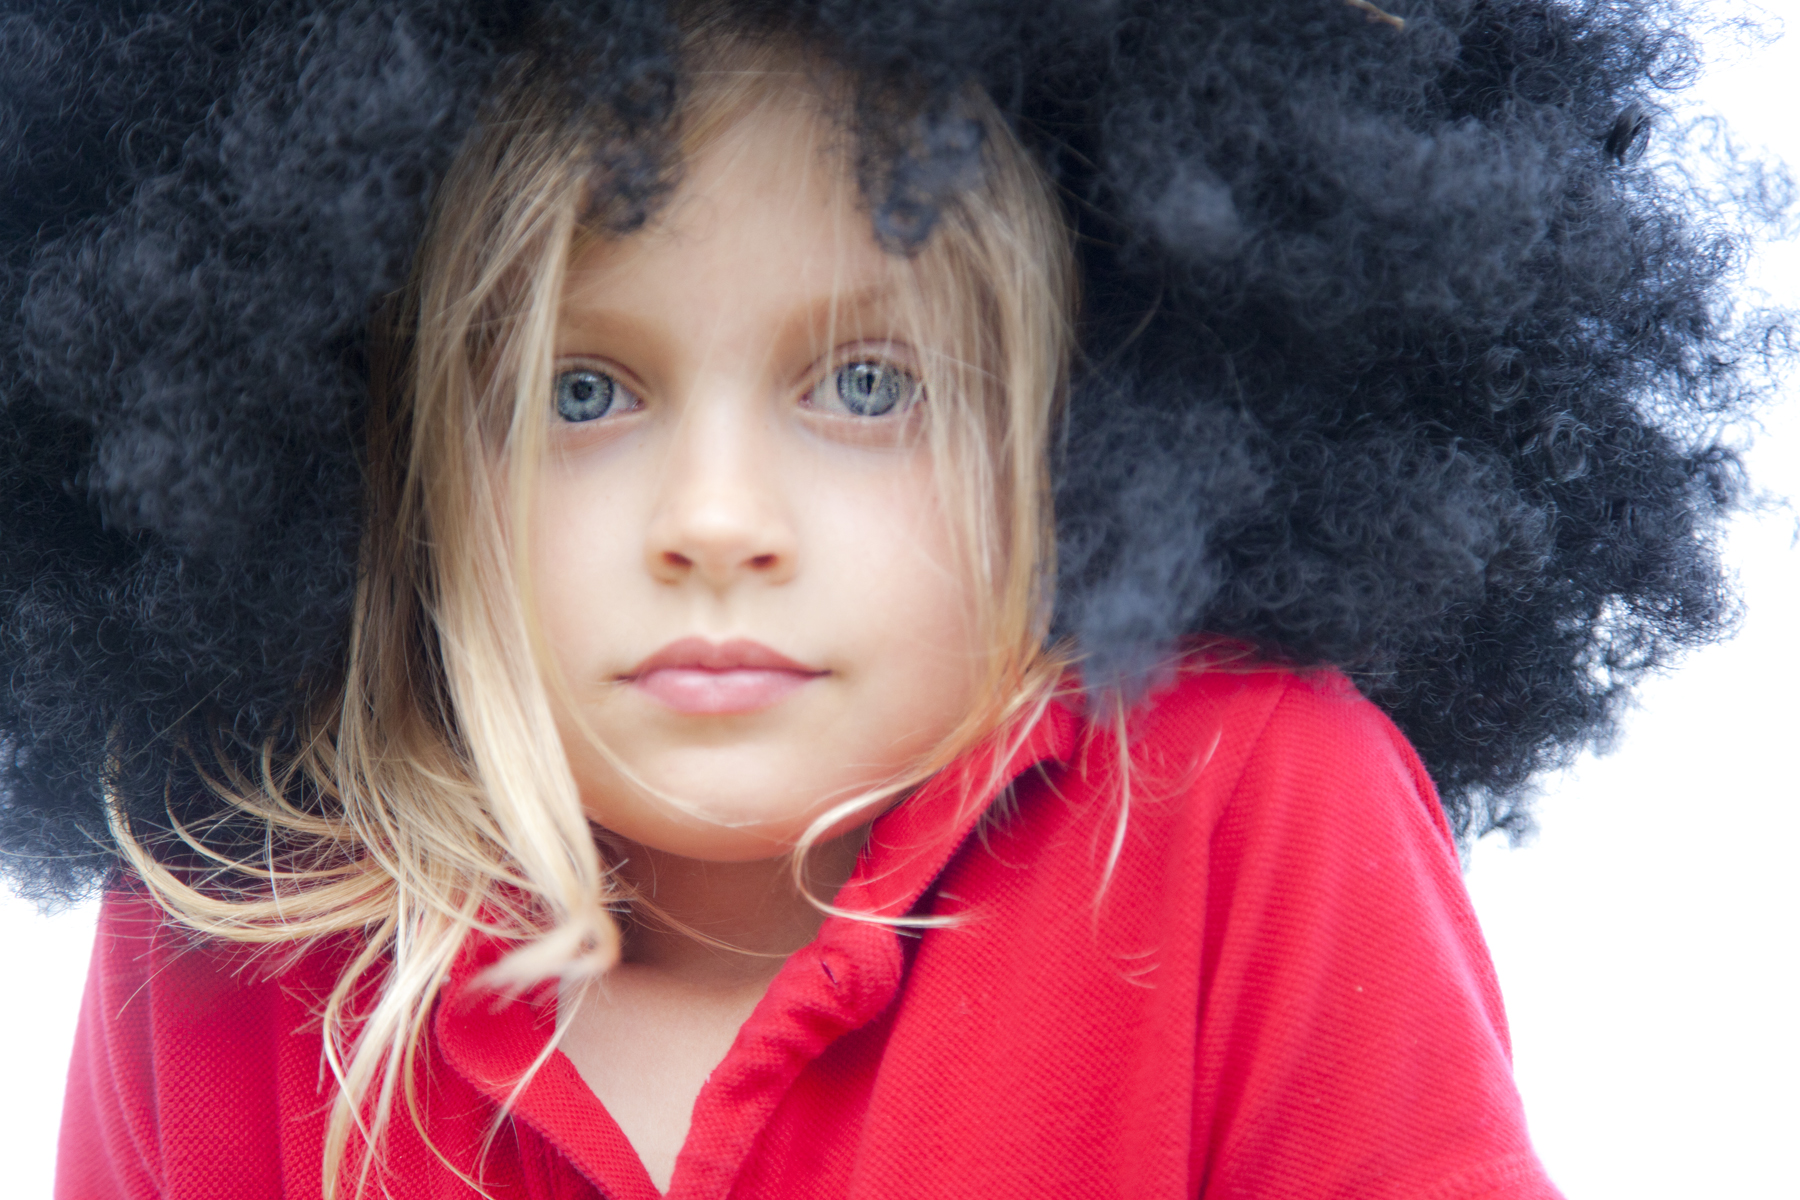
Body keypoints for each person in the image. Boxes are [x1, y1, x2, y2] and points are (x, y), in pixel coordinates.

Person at [0, 1, 1767, 1197]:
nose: (716, 523)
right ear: (383, 453)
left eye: (864, 386)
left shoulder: (1249, 814)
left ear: (1087, 426)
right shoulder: (232, 921)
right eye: (581, 391)